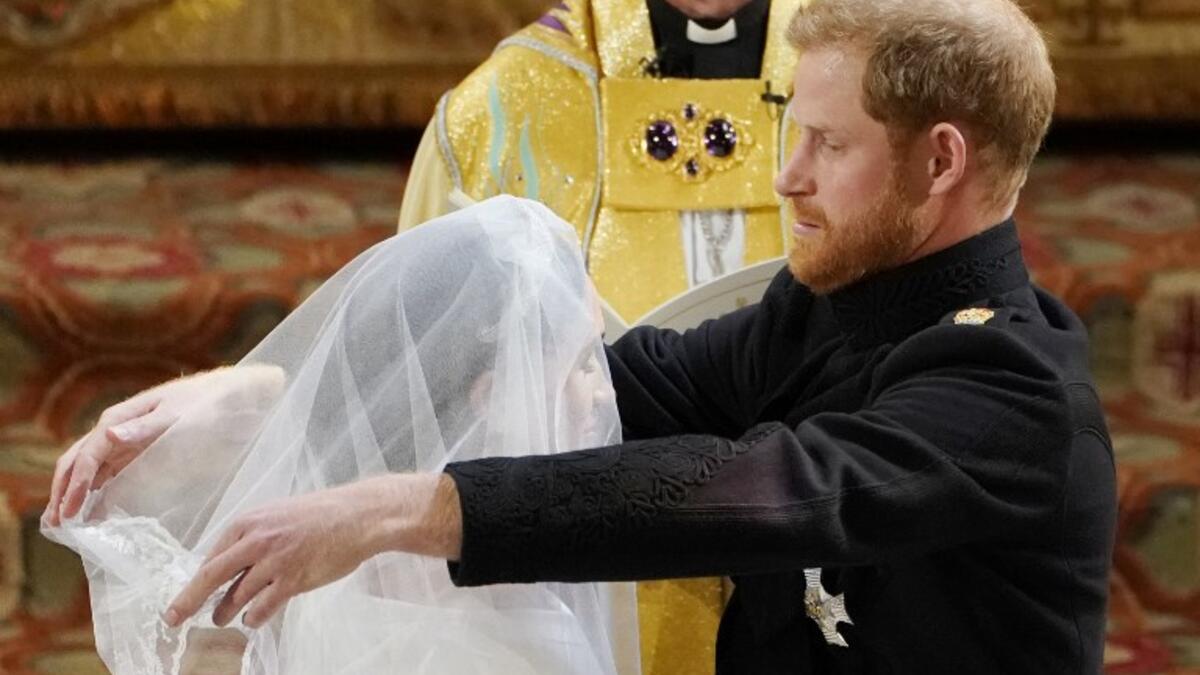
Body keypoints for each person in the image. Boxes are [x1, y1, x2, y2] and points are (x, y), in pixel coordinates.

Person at [46, 0, 1118, 672]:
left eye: (826, 146)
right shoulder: (829, 311)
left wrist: (397, 511)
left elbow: (768, 488)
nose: (785, 177)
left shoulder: (1014, 389)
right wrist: (255, 399)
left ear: (941, 164)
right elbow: (591, 397)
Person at [43, 197, 639, 674]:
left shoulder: (341, 560)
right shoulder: (526, 636)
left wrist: (265, 394)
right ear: (490, 395)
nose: (608, 391)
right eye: (584, 363)